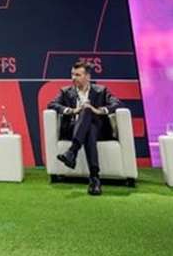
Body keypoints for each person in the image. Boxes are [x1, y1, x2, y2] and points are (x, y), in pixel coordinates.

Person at [47, 60, 121, 195]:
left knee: (88, 112)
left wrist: (98, 110)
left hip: (100, 130)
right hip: (73, 128)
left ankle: (72, 152)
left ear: (88, 77)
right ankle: (94, 178)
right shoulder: (65, 92)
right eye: (72, 74)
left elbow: (116, 103)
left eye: (78, 75)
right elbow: (52, 104)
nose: (73, 78)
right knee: (89, 130)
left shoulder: (101, 90)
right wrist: (72, 110)